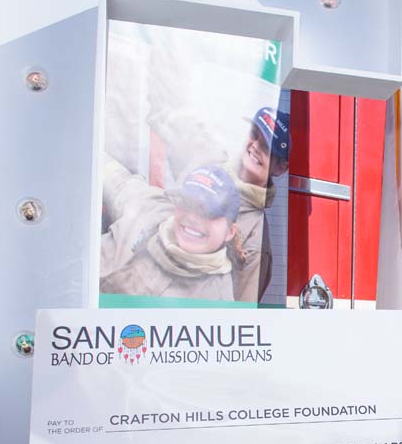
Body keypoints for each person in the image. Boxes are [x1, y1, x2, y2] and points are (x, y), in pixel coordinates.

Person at [99, 164, 241, 302]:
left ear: (230, 232)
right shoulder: (151, 208)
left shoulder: (216, 304)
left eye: (209, 211)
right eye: (187, 203)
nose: (192, 217)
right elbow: (111, 173)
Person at [229, 107, 291, 304]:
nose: (255, 146)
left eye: (267, 148)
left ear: (281, 168)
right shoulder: (210, 162)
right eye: (254, 134)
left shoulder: (255, 236)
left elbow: (239, 316)